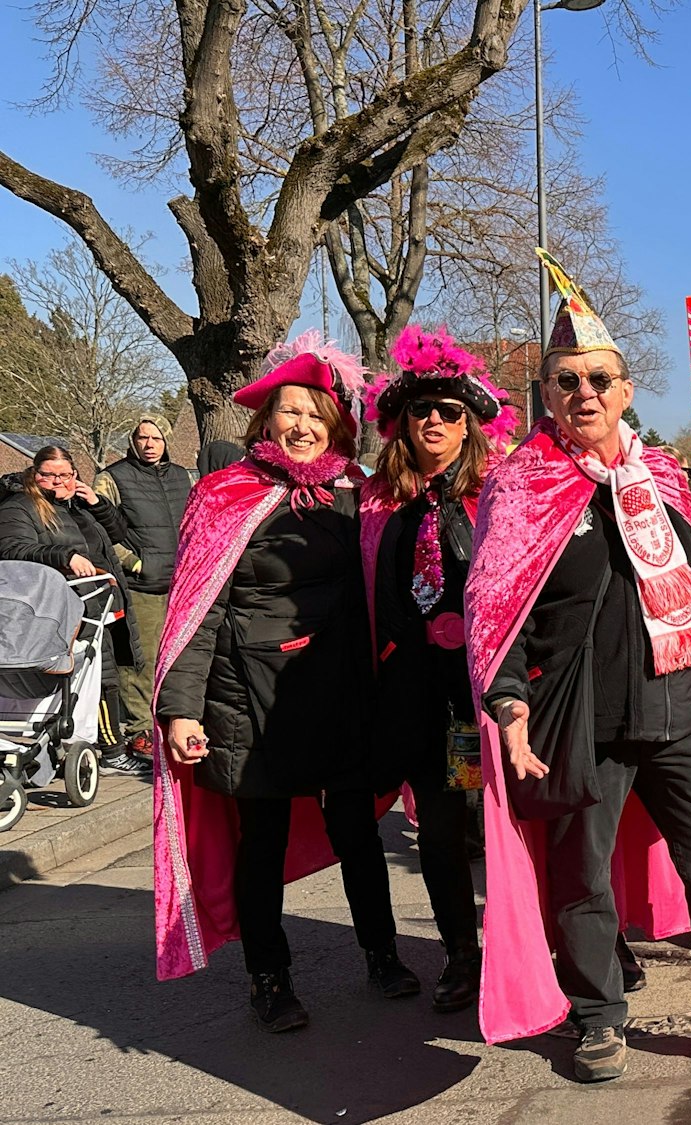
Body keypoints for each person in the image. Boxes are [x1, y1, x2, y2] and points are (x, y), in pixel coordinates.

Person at [466, 252, 691, 1081]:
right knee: (582, 876)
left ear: (626, 391)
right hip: (581, 713)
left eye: (599, 378)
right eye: (565, 381)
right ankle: (596, 1020)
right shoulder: (522, 486)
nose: (584, 393)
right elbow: (497, 610)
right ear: (545, 394)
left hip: (681, 702)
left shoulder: (661, 475)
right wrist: (509, 705)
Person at [153, 332, 413, 1031]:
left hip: (340, 692)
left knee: (358, 832)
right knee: (259, 843)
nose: (300, 424)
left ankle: (382, 952)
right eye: (287, 410)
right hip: (247, 699)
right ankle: (269, 977)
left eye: (314, 413)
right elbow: (197, 609)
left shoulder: (357, 495)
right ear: (265, 419)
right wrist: (181, 710)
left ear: (335, 425)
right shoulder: (224, 494)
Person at [358, 323, 517, 1012]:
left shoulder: (503, 492)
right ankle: (461, 951)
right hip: (420, 696)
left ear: (470, 424)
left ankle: (567, 943)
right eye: (421, 409)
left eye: (449, 410)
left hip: (500, 691)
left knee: (526, 821)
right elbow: (367, 596)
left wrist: (477, 630)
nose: (434, 420)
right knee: (445, 834)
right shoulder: (375, 502)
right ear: (401, 423)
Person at [0, 444, 146, 776]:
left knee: (104, 674)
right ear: (34, 475)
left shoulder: (78, 504)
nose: (57, 482)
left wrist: (97, 503)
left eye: (65, 475)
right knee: (97, 675)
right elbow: (11, 548)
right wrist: (63, 556)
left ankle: (105, 746)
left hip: (101, 599)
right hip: (57, 606)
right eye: (48, 475)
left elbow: (120, 534)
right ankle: (110, 751)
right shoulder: (19, 506)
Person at [94, 415, 197, 768]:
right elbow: (99, 531)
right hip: (143, 585)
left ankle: (176, 725)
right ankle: (141, 733)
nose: (149, 444)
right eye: (142, 438)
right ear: (133, 441)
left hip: (183, 584)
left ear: (166, 440)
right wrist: (136, 564)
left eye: (156, 438)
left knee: (181, 658)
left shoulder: (183, 476)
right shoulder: (112, 478)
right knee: (142, 662)